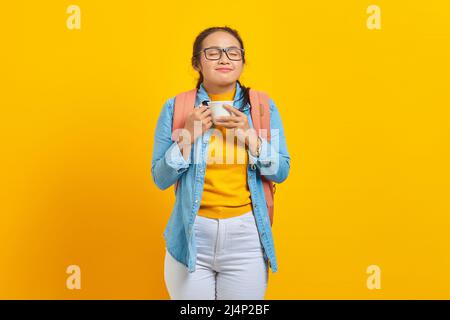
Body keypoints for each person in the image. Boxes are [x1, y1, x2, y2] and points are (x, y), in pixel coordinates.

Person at [151, 26, 290, 299]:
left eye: (233, 52)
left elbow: (280, 172)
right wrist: (187, 137)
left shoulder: (262, 107)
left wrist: (250, 135)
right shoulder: (176, 108)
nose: (225, 59)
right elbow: (160, 178)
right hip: (191, 236)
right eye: (213, 53)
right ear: (197, 63)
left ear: (242, 60)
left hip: (246, 238)